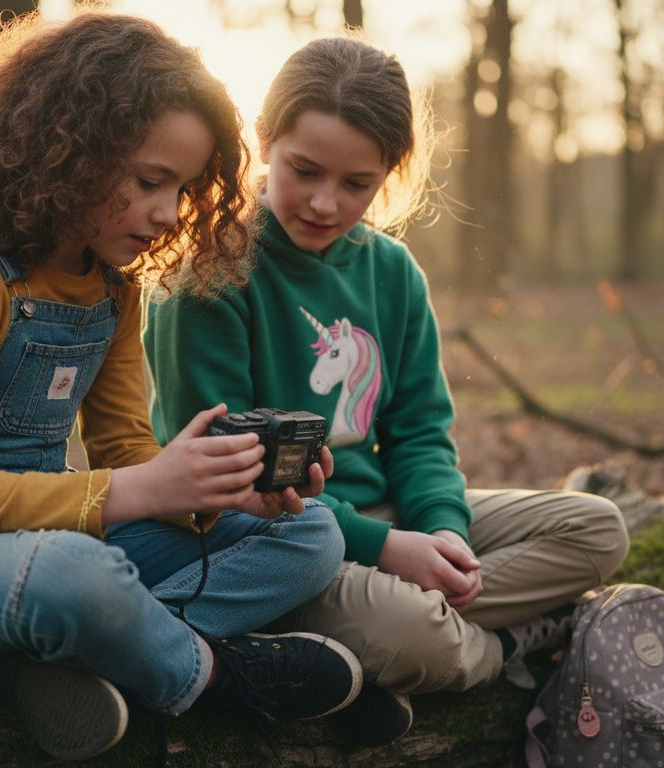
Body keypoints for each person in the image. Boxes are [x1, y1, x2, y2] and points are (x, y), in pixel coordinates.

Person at [0, 14, 362, 763]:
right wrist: (139, 492)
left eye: (183, 187)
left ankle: (52, 654)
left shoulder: (112, 292)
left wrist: (215, 498)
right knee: (78, 576)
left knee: (312, 535)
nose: (169, 213)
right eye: (150, 182)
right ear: (68, 152)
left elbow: (126, 454)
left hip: (48, 543)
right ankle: (214, 675)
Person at [146, 37, 630, 747]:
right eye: (303, 171)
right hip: (284, 540)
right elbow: (232, 481)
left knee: (598, 529)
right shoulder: (209, 276)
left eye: (356, 184)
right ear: (264, 140)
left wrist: (443, 534)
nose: (324, 202)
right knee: (415, 633)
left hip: (392, 518)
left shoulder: (393, 271)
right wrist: (385, 549)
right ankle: (506, 647)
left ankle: (424, 628)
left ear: (389, 175)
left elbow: (419, 430)